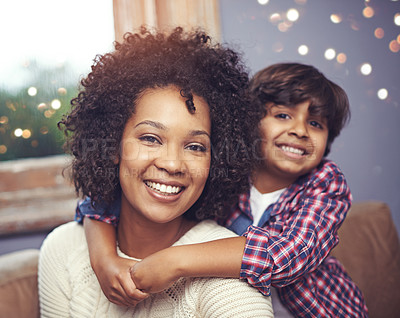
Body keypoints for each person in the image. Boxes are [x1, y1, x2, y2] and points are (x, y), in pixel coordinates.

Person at [75, 62, 368, 317]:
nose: (300, 130)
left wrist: (175, 261)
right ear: (250, 122)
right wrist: (104, 260)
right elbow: (102, 200)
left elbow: (288, 254)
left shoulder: (326, 184)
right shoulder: (225, 174)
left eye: (315, 123)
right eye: (282, 115)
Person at [37, 27, 274, 317]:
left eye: (196, 147)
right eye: (150, 138)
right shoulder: (63, 249)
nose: (172, 164)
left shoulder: (228, 281)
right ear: (112, 146)